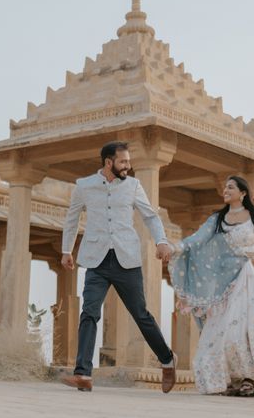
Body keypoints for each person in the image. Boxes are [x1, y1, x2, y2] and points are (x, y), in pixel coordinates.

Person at [59, 141, 177, 393]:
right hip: (96, 259)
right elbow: (72, 218)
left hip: (127, 259)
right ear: (108, 162)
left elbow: (150, 216)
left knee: (141, 315)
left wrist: (162, 241)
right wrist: (66, 250)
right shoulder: (84, 186)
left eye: (129, 161)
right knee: (89, 312)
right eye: (123, 161)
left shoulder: (133, 186)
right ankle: (83, 373)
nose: (128, 166)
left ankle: (167, 360)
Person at [170, 175, 254, 397]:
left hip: (250, 278)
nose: (225, 190)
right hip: (224, 281)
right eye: (224, 187)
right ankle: (230, 378)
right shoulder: (218, 219)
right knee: (222, 330)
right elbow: (198, 240)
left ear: (243, 193)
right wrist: (176, 248)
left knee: (248, 329)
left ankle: (251, 379)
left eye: (230, 187)